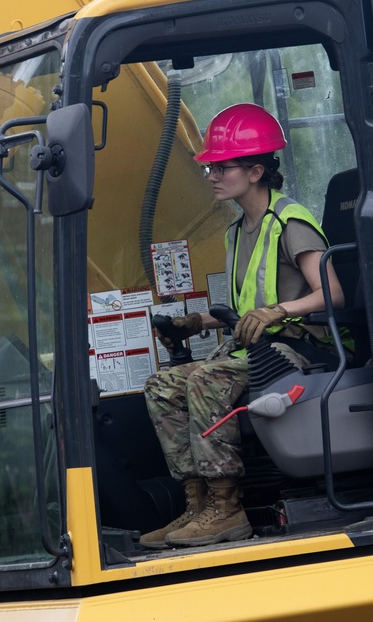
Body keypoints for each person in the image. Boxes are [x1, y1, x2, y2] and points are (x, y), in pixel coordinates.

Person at [140, 103, 345, 549]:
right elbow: (245, 309)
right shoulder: (238, 230)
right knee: (161, 385)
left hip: (299, 348)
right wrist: (195, 321)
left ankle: (227, 508)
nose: (211, 175)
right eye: (210, 167)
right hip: (254, 348)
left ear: (255, 172)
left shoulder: (290, 223)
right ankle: (198, 505)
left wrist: (279, 312)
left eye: (221, 166)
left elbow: (331, 294)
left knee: (207, 379)